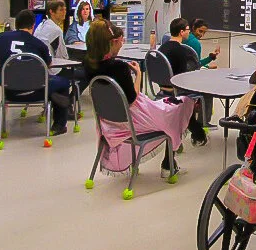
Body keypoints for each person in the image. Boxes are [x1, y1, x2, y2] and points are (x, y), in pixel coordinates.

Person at [84, 18, 198, 175]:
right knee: (182, 104)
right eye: (121, 42)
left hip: (108, 122)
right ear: (113, 42)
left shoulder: (88, 65)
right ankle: (169, 165)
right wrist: (138, 74)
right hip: (133, 120)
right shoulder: (119, 67)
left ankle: (191, 139)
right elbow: (132, 98)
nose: (122, 44)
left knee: (170, 105)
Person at [0, 10, 71, 136]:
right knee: (63, 82)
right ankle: (59, 125)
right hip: (36, 92)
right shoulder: (39, 44)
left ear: (16, 24)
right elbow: (49, 64)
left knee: (53, 84)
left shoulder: (1, 38)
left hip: (9, 92)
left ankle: (53, 98)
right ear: (33, 26)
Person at [158, 18, 208, 145]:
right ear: (181, 32)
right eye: (187, 30)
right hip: (176, 90)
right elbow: (182, 77)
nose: (189, 32)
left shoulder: (162, 48)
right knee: (201, 92)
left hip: (162, 88)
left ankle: (193, 133)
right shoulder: (181, 51)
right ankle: (197, 132)